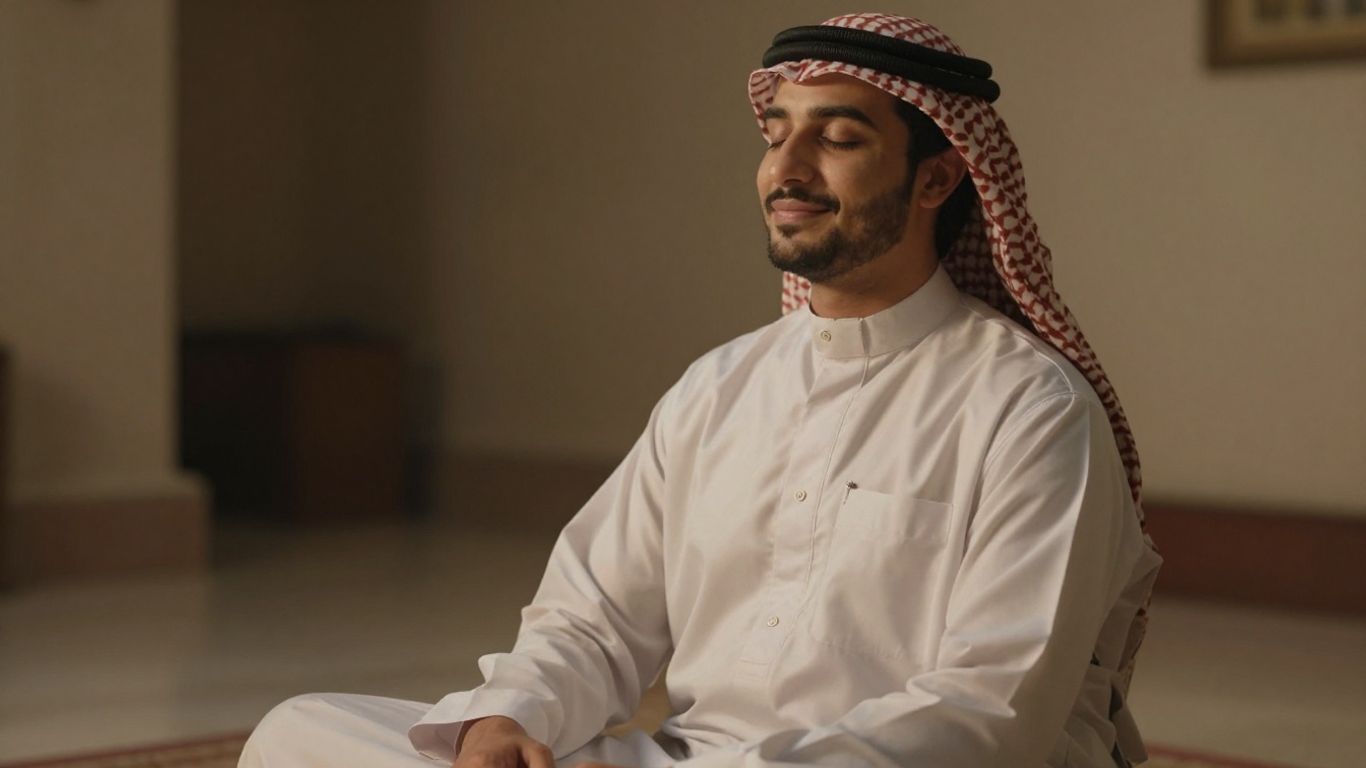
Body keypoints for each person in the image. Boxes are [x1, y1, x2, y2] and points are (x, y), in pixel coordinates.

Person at [239, 13, 1161, 768]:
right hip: (694, 759)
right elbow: (592, 619)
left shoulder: (1031, 409)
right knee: (303, 733)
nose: (786, 170)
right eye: (776, 135)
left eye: (837, 137)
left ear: (939, 177)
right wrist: (507, 719)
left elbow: (990, 714)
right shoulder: (720, 388)